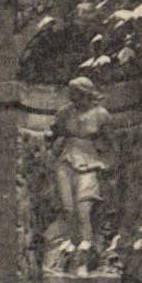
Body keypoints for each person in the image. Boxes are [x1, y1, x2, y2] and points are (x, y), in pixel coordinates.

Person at [50, 76, 114, 266]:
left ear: (86, 93)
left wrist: (107, 164)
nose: (72, 97)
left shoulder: (101, 115)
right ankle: (70, 250)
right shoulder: (64, 113)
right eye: (71, 94)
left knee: (84, 210)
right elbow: (54, 138)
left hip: (89, 164)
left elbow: (112, 143)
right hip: (65, 162)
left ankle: (86, 252)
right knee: (68, 209)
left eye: (76, 93)